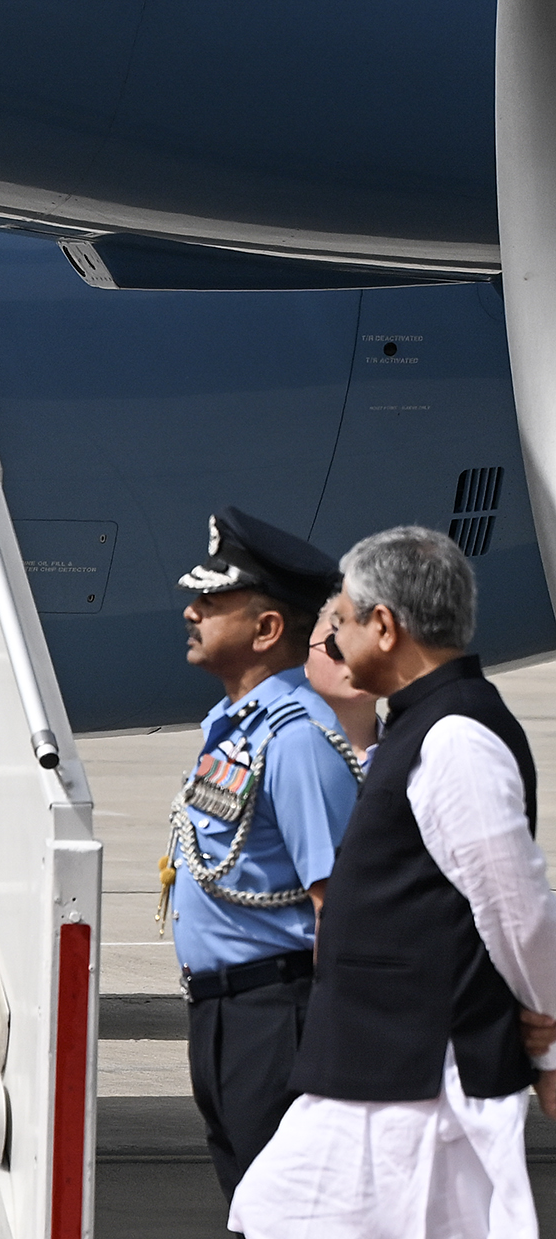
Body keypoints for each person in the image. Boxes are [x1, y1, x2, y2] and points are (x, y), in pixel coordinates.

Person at [233, 526, 556, 1239]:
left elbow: (514, 904)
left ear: (385, 626)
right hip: (376, 1068)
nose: (334, 643)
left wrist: (548, 1038)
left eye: (341, 623)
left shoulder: (456, 738)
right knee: (270, 1212)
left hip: (418, 1081)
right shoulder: (419, 727)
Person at [163, 508, 361, 1203]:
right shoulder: (234, 729)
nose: (192, 610)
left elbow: (340, 906)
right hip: (225, 1017)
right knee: (253, 1208)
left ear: (268, 629)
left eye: (212, 601)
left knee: (292, 1215)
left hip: (279, 1019)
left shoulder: (299, 739)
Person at [304, 598, 379, 764]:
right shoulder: (284, 753)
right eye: (336, 642)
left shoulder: (420, 749)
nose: (357, 655)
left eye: (369, 639)